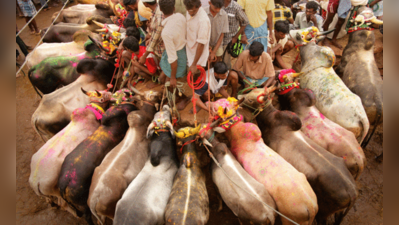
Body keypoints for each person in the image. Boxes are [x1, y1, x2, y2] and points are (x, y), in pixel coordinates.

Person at [159, 0, 192, 110]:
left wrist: (172, 77)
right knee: (166, 79)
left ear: (160, 10)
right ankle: (175, 96)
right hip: (183, 51)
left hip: (177, 57)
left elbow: (173, 59)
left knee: (170, 82)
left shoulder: (166, 33)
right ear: (174, 8)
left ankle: (181, 98)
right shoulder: (180, 16)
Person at [184, 0, 211, 75]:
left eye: (193, 10)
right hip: (189, 52)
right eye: (188, 11)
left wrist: (194, 64)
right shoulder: (189, 10)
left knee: (195, 81)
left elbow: (201, 44)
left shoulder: (203, 21)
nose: (190, 13)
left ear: (199, 6)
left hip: (197, 58)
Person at [221, 0, 248, 69]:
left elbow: (245, 22)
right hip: (216, 39)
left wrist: (236, 37)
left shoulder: (236, 7)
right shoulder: (218, 4)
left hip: (228, 40)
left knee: (225, 63)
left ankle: (226, 78)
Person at [139, 0, 165, 71]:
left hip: (162, 49)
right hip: (159, 47)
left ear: (145, 4)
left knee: (165, 68)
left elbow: (155, 39)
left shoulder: (159, 16)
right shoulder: (156, 10)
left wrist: (144, 56)